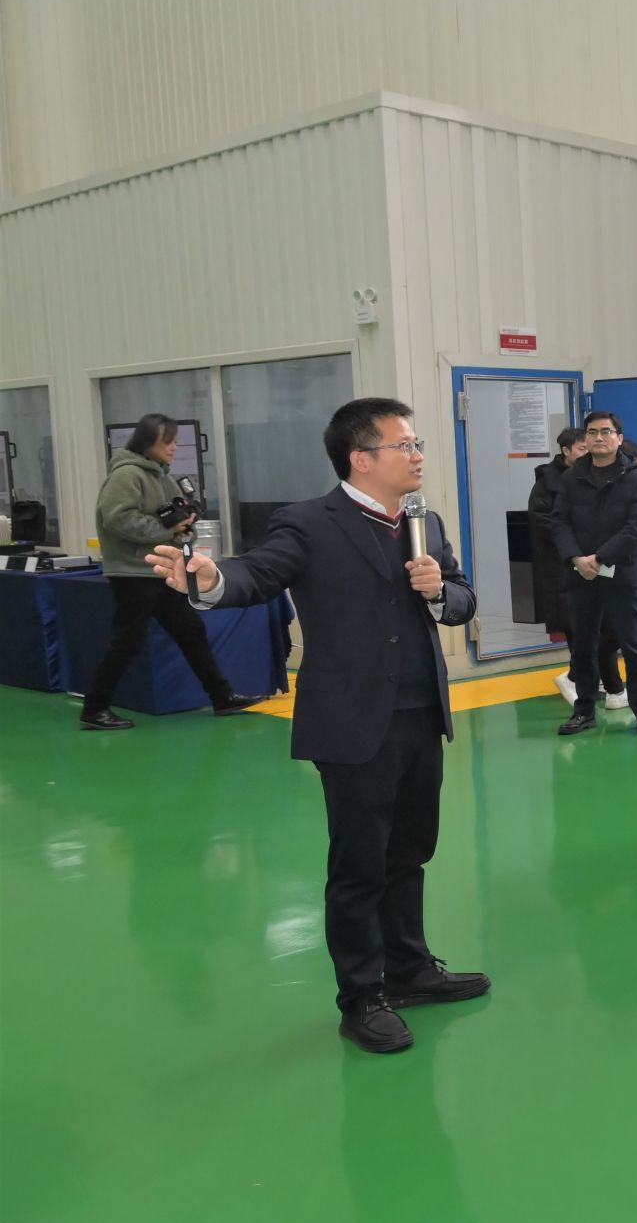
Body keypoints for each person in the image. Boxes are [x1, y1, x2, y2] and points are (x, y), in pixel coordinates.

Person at [145, 397, 489, 1054]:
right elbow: (257, 573)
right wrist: (210, 579)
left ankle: (410, 968)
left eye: (417, 443)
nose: (418, 454)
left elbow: (463, 595)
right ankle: (361, 997)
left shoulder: (426, 521)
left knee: (410, 851)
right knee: (360, 864)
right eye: (405, 444)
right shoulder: (308, 522)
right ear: (362, 458)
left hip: (422, 713)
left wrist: (440, 591)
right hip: (354, 721)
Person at [80, 413, 265, 729]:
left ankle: (222, 697)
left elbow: (174, 524)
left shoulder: (164, 478)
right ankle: (94, 708)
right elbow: (118, 519)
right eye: (168, 441)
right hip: (133, 572)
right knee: (128, 640)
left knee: (190, 630)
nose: (174, 447)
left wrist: (184, 527)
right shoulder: (126, 476)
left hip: (163, 571)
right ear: (148, 441)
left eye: (176, 441)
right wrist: (167, 528)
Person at [552, 411, 637, 737]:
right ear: (585, 438)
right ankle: (584, 710)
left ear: (619, 439)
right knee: (583, 646)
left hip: (621, 573)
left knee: (632, 645)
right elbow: (559, 522)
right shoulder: (571, 478)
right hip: (580, 574)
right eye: (593, 432)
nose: (599, 437)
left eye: (606, 432)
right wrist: (575, 558)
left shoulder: (635, 478)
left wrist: (599, 558)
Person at [530, 426, 625, 711]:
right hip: (564, 566)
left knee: (605, 625)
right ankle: (579, 678)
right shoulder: (548, 482)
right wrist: (574, 545)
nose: (590, 451)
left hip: (596, 564)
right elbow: (545, 520)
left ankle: (600, 682)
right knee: (579, 626)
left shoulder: (593, 476)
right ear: (566, 451)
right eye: (582, 448)